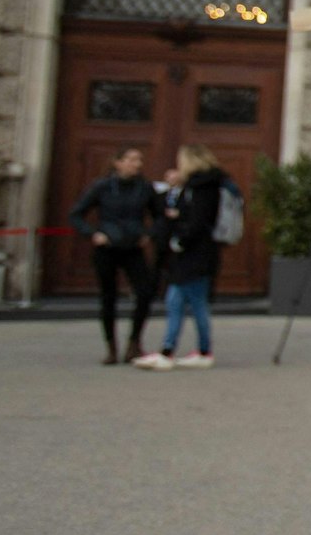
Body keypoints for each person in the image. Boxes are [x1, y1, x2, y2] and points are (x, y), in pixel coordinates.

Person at [131, 145, 224, 372]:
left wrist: (180, 239)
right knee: (185, 302)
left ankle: (174, 352)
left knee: (185, 302)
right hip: (196, 254)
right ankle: (192, 351)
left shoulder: (202, 188)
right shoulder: (202, 186)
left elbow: (199, 221)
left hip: (194, 254)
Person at [67, 146, 159, 364]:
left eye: (139, 160)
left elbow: (160, 216)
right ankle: (111, 347)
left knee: (145, 293)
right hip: (107, 247)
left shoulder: (145, 188)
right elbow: (76, 214)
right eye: (131, 159)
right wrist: (93, 233)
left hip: (133, 247)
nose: (136, 164)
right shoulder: (102, 187)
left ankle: (134, 343)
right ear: (117, 162)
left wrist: (149, 234)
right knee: (108, 297)